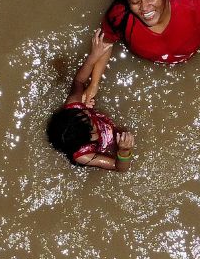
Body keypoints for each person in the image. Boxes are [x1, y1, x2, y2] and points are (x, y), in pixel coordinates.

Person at [47, 31, 136, 171]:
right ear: (89, 138)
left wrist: (93, 59)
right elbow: (120, 168)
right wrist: (124, 152)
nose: (89, 113)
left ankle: (60, 71)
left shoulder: (73, 105)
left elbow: (79, 80)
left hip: (98, 128)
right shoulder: (83, 155)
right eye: (89, 122)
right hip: (106, 146)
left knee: (105, 43)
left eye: (83, 112)